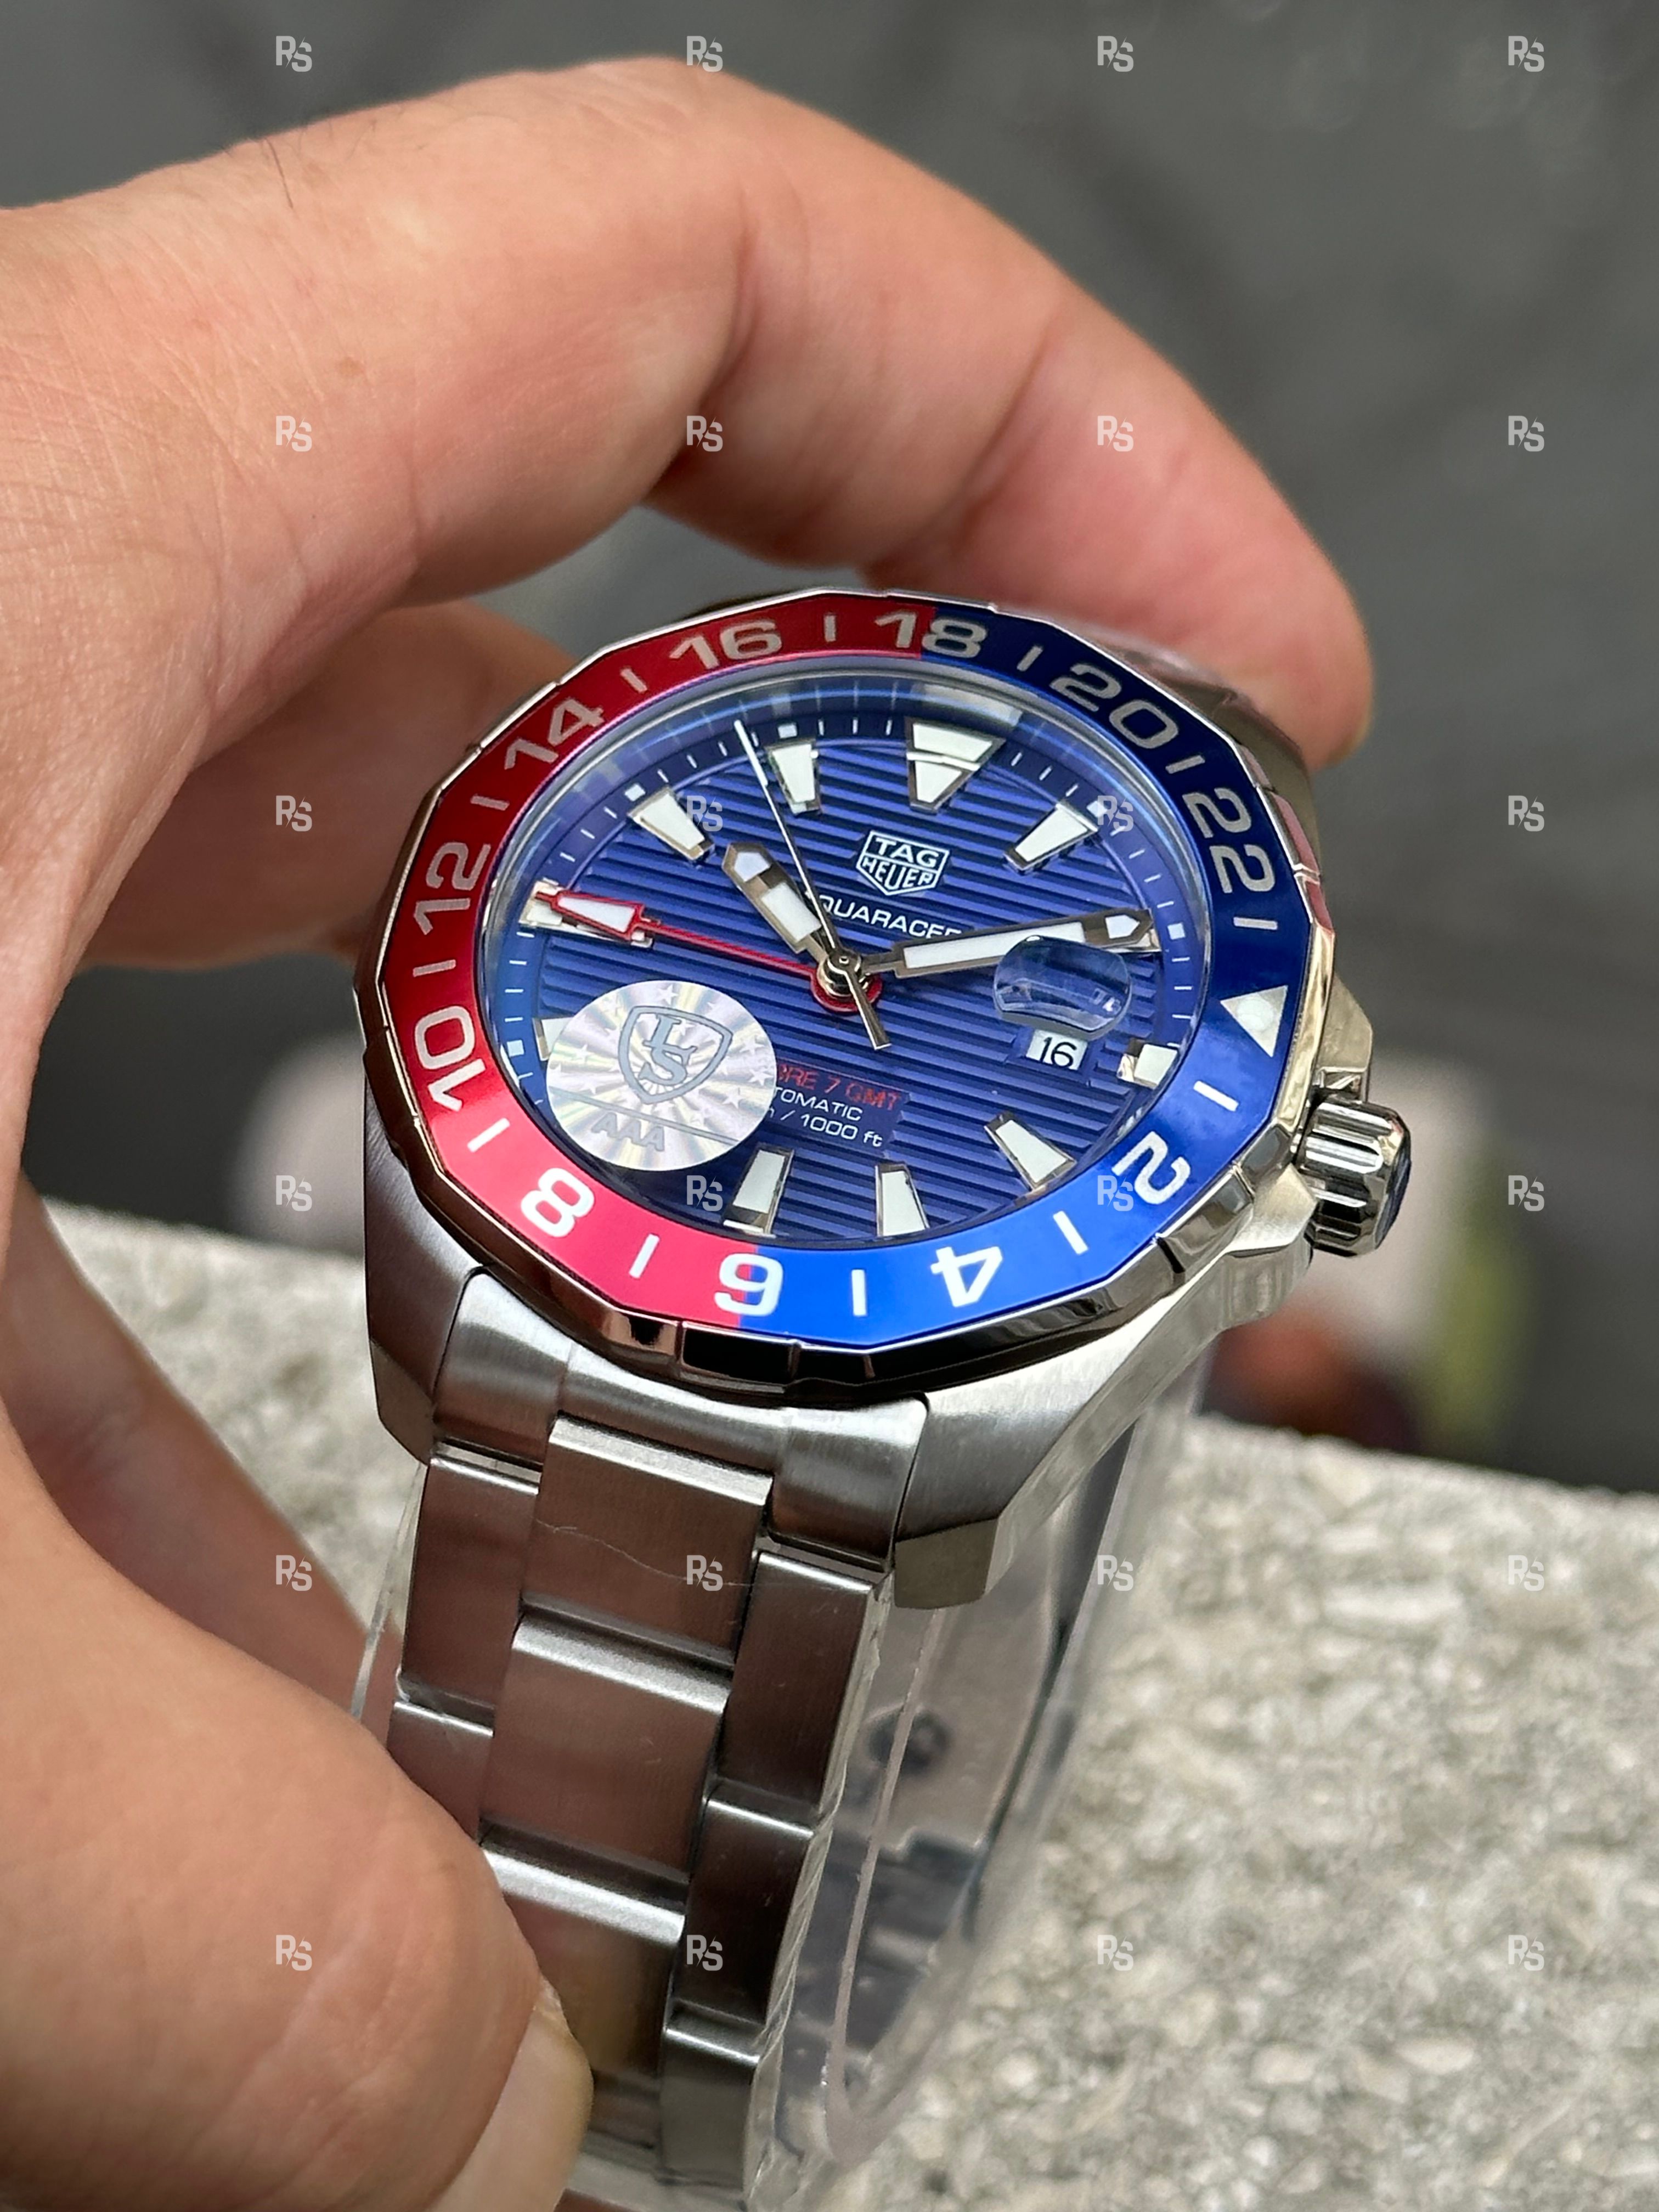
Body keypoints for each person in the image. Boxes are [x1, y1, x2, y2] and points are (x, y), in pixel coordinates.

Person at [0, 58, 1370, 2212]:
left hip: (849, 1380)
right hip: (547, 1298)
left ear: (1304, 1171)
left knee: (638, 2008)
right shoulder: (588, 878)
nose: (847, 992)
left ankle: (647, 2103)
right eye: (828, 959)